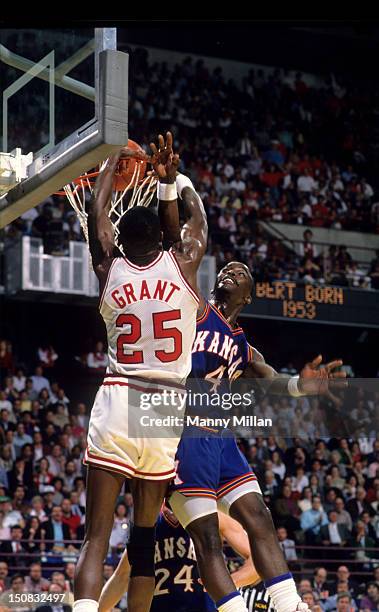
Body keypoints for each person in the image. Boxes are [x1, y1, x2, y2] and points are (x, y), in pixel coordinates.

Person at [157, 172, 345, 612]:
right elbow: (181, 239)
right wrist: (179, 187)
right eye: (226, 268)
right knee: (206, 537)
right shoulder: (196, 308)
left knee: (259, 516)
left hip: (221, 442)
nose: (229, 270)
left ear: (250, 293)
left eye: (239, 272)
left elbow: (274, 380)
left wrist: (303, 386)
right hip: (184, 434)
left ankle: (290, 603)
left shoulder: (243, 344)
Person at [73, 133, 207, 612]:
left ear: (121, 240)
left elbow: (95, 208)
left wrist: (113, 158)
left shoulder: (109, 269)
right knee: (145, 537)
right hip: (164, 407)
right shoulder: (185, 266)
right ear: (160, 240)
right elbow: (197, 222)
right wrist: (173, 179)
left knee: (96, 535)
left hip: (119, 397)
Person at [98, 504, 260, 612]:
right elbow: (122, 576)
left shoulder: (211, 512)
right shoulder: (147, 520)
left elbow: (257, 560)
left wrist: (230, 582)